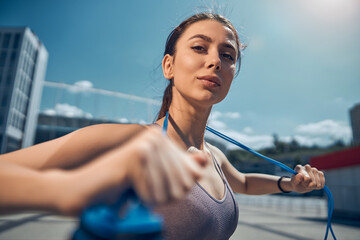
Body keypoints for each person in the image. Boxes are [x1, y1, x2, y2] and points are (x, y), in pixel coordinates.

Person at [0, 12, 325, 240]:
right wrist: (68, 190)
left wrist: (289, 184)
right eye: (199, 47)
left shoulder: (212, 156)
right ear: (169, 65)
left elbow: (243, 183)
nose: (215, 61)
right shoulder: (128, 141)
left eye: (228, 55)